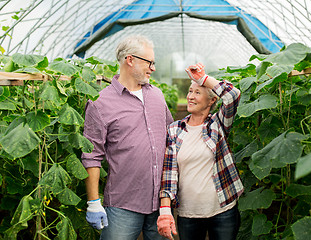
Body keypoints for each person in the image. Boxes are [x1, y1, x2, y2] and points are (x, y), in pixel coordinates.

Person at [81, 35, 173, 240]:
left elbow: (171, 140)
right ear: (130, 60)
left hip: (161, 204)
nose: (153, 68)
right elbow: (91, 156)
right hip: (123, 204)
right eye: (149, 62)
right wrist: (93, 202)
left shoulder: (157, 96)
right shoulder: (100, 103)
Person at [157, 63, 244, 240]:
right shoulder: (174, 129)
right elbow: (169, 173)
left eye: (197, 92)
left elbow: (233, 95)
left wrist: (203, 79)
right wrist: (165, 211)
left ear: (212, 100)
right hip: (188, 214)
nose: (190, 96)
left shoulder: (217, 124)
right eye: (190, 91)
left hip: (223, 209)